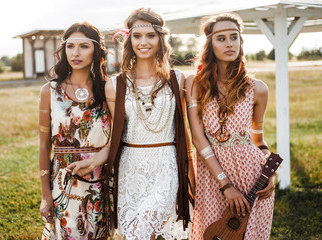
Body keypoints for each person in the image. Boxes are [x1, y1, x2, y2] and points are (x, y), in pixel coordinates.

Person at [185, 13, 277, 240]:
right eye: (222, 38)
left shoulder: (258, 88)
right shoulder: (196, 84)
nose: (230, 44)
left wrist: (270, 173)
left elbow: (258, 139)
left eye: (234, 37)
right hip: (213, 176)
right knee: (213, 234)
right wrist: (225, 185)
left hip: (253, 176)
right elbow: (198, 138)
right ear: (209, 44)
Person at [105, 7, 193, 240]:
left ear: (161, 39)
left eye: (150, 35)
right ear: (129, 40)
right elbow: (114, 135)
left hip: (165, 165)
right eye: (137, 36)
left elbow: (187, 130)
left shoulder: (178, 79)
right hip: (130, 169)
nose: (143, 42)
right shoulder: (115, 85)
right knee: (134, 234)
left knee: (143, 233)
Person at [38, 22, 112, 240]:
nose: (76, 53)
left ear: (96, 50)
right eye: (70, 46)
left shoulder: (109, 88)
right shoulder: (50, 91)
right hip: (64, 180)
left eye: (84, 46)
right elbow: (43, 146)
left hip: (100, 178)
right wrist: (45, 196)